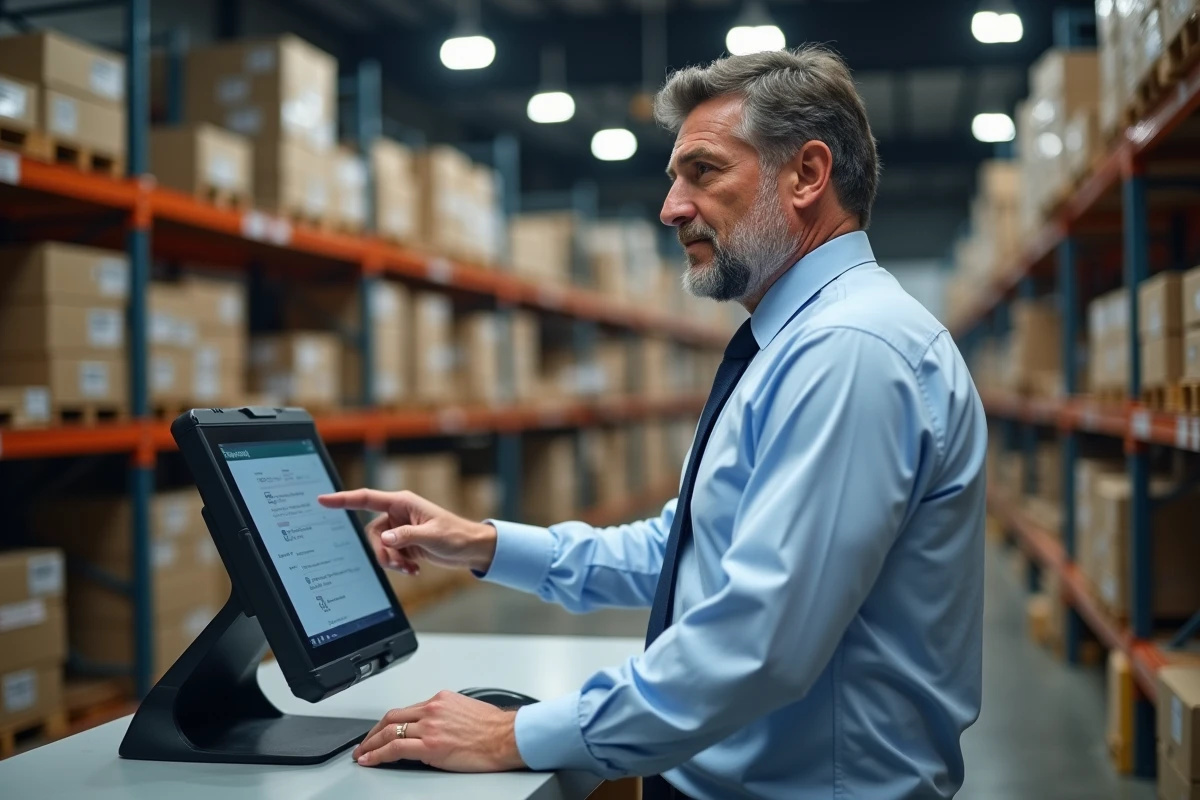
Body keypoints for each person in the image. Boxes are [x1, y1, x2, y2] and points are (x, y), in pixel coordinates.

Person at [318, 45, 987, 799]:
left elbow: (758, 644)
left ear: (807, 174)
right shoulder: (799, 343)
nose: (671, 207)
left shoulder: (849, 353)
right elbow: (691, 548)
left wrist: (512, 736)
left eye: (703, 171)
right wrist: (483, 544)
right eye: (674, 178)